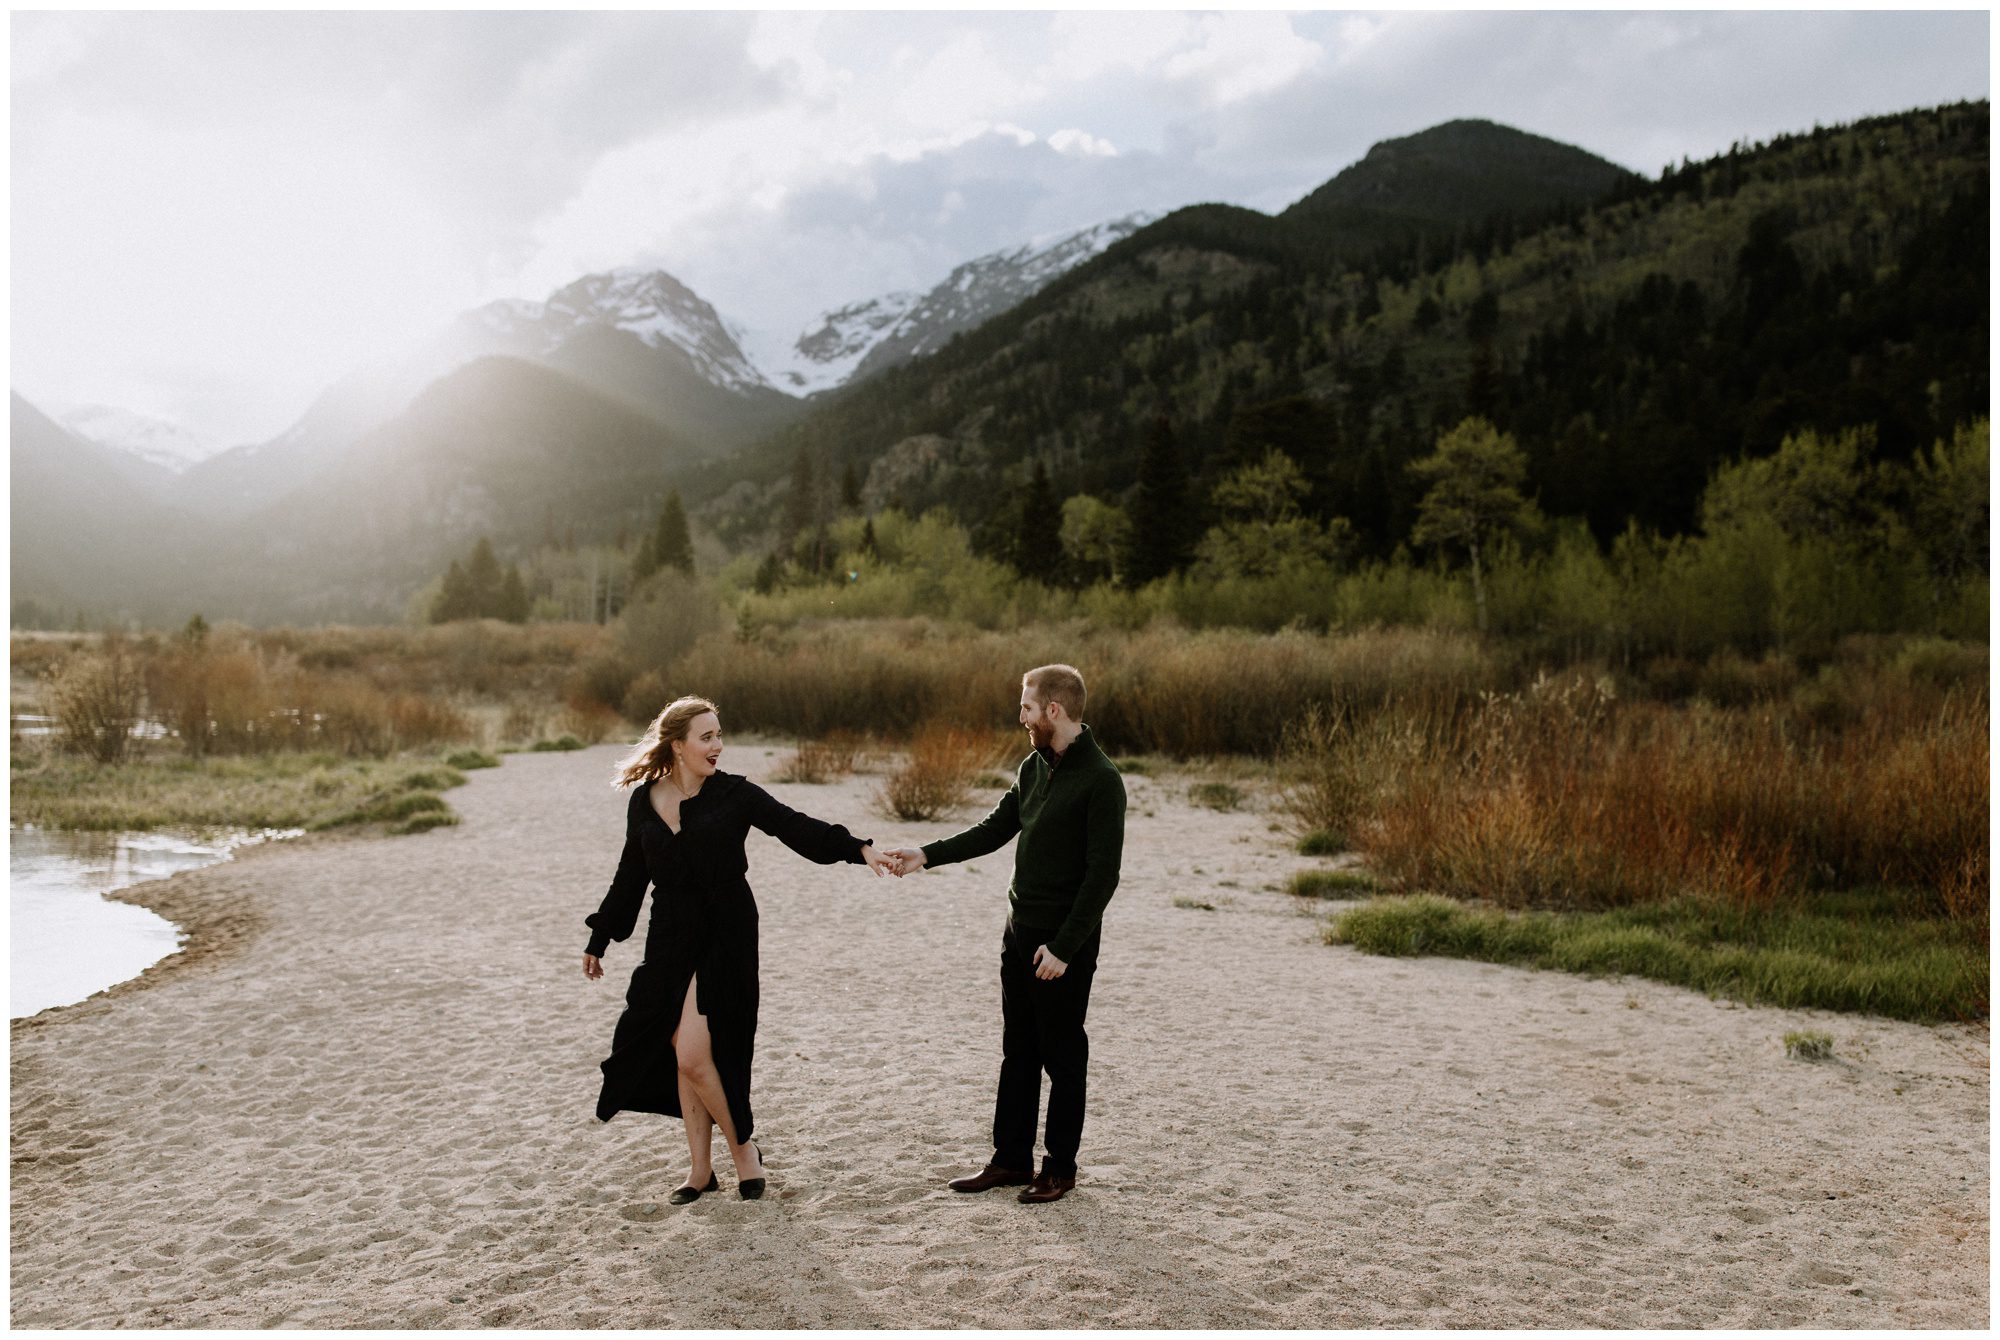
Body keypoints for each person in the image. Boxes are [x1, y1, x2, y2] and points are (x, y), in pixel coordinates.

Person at [582, 695, 892, 1203]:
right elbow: (630, 876)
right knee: (682, 1056)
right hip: (670, 937)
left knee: (696, 1052)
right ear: (677, 745)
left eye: (720, 736)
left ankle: (743, 1149)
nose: (718, 746)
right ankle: (700, 1170)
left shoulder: (734, 795)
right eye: (707, 737)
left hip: (725, 931)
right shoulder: (644, 801)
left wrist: (858, 848)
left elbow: (795, 827)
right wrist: (601, 937)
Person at [886, 664, 1125, 1204]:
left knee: (1063, 1057)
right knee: (1018, 1050)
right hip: (1019, 933)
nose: (1021, 716)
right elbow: (994, 829)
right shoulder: (1033, 766)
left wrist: (1064, 948)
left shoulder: (1102, 781)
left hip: (1063, 945)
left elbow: (1102, 876)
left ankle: (1059, 1169)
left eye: (1027, 707)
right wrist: (926, 855)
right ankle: (1010, 1160)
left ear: (1054, 711)